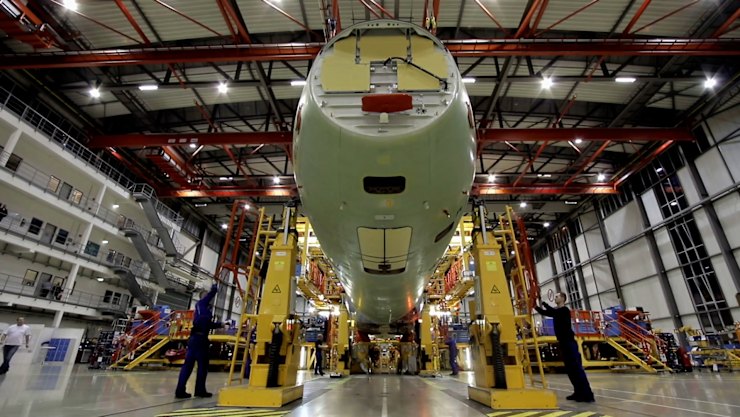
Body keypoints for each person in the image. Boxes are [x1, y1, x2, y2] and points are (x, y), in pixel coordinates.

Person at [535, 293, 594, 402]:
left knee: (576, 369)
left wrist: (543, 303)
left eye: (557, 296)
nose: (556, 298)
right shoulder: (558, 312)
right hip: (563, 343)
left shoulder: (564, 310)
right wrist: (535, 306)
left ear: (563, 298)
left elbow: (552, 312)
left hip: (569, 342)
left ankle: (587, 394)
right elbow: (546, 312)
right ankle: (578, 392)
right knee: (570, 370)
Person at [175, 284, 222, 398]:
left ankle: (187, 390)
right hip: (199, 340)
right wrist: (214, 289)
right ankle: (196, 390)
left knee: (195, 366)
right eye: (206, 296)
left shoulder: (203, 310)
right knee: (198, 366)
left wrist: (220, 324)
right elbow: (204, 322)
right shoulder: (200, 305)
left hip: (197, 339)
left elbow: (207, 324)